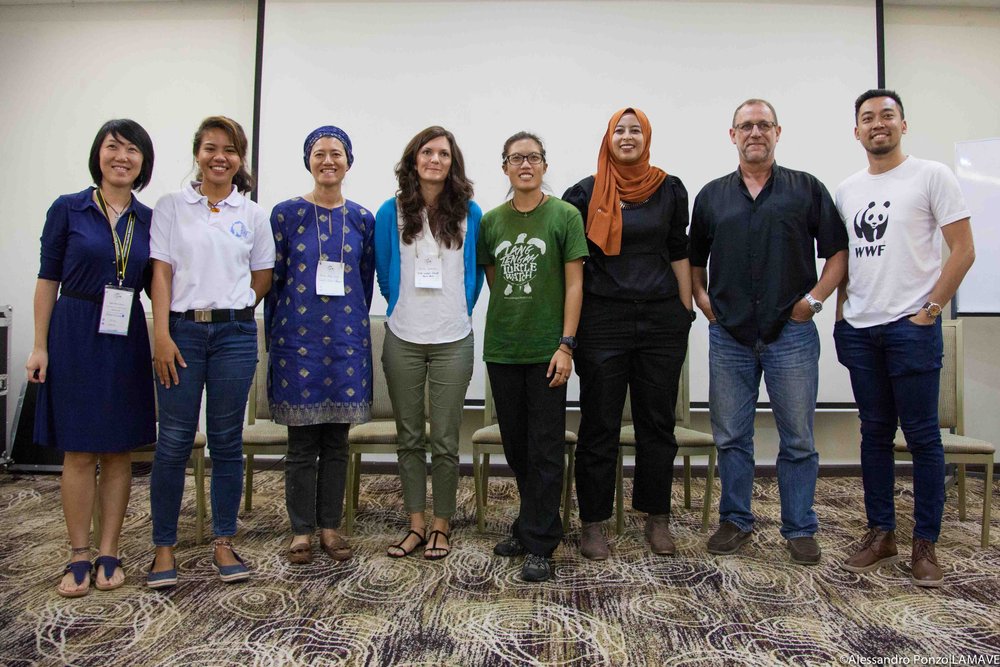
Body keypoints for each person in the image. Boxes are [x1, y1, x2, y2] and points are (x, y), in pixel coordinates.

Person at [689, 98, 848, 565]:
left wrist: (813, 301)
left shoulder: (806, 189)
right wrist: (702, 300)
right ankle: (735, 521)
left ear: (778, 132)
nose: (754, 132)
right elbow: (694, 259)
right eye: (746, 125)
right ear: (732, 135)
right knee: (731, 435)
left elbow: (837, 253)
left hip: (791, 333)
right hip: (730, 336)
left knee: (797, 436)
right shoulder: (712, 196)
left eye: (763, 125)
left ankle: (800, 527)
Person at [833, 89, 975, 587]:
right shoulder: (846, 189)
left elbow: (963, 250)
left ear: (903, 124)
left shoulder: (932, 175)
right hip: (860, 329)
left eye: (887, 116)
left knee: (921, 439)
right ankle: (881, 534)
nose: (878, 124)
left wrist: (929, 311)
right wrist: (839, 318)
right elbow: (843, 260)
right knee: (873, 435)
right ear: (856, 131)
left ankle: (925, 544)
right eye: (868, 118)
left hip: (910, 329)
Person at [26, 119, 156, 597]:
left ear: (144, 162)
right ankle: (78, 555)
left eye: (132, 150)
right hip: (76, 329)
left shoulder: (148, 219)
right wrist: (39, 345)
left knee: (118, 450)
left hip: (124, 337)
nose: (122, 157)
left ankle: (109, 551)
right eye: (112, 147)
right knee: (79, 451)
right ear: (98, 155)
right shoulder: (68, 209)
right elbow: (47, 279)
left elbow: (155, 284)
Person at [147, 116, 274, 588]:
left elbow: (261, 278)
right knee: (174, 442)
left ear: (240, 159)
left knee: (225, 441)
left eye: (229, 150)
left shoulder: (253, 214)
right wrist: (161, 334)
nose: (219, 157)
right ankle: (164, 548)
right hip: (180, 334)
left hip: (235, 337)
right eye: (209, 148)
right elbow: (160, 274)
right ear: (197, 153)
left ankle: (223, 541)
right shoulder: (170, 207)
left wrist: (234, 311)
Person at [563, 107, 693, 559]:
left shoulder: (670, 189)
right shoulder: (583, 193)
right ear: (607, 137)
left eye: (636, 130)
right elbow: (573, 266)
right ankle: (593, 522)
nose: (627, 136)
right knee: (599, 424)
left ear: (647, 137)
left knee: (657, 424)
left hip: (661, 322)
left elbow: (678, 250)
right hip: (604, 323)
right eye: (619, 129)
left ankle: (657, 518)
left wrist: (686, 310)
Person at [479, 131, 588, 582]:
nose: (525, 164)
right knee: (516, 445)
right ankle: (532, 523)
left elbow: (575, 284)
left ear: (545, 165)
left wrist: (566, 345)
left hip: (548, 351)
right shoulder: (491, 221)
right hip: (503, 349)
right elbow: (492, 278)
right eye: (516, 158)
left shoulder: (565, 215)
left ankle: (541, 542)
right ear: (504, 166)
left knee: (545, 447)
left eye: (534, 157)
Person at [374, 126, 483, 560]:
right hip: (403, 337)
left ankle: (442, 524)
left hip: (453, 338)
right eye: (427, 152)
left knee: (444, 436)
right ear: (413, 159)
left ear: (452, 162)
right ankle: (416, 523)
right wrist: (399, 304)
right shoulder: (392, 210)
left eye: (443, 153)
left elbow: (473, 273)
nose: (434, 159)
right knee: (408, 437)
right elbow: (384, 269)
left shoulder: (469, 212)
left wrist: (462, 309)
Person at [268, 126, 374, 564]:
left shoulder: (362, 219)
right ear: (307, 160)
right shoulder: (285, 214)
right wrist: (278, 336)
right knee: (300, 445)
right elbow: (274, 280)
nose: (328, 160)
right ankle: (300, 531)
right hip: (297, 341)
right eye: (319, 153)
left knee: (336, 443)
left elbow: (365, 283)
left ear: (349, 161)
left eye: (336, 153)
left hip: (347, 343)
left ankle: (330, 526)